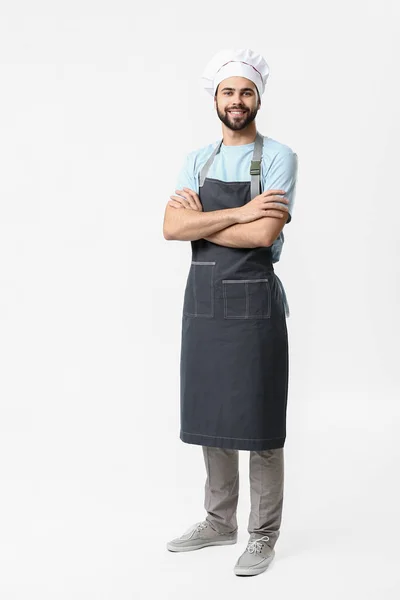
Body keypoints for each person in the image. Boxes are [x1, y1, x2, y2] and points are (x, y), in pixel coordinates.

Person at [163, 48, 298, 577]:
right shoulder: (196, 160)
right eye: (228, 92)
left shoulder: (280, 157)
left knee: (260, 423)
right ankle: (219, 523)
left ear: (258, 98)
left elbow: (266, 234)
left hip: (255, 304)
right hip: (203, 304)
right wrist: (242, 210)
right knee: (213, 418)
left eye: (245, 91)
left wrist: (210, 219)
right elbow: (172, 228)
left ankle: (262, 535)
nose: (236, 101)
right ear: (215, 99)